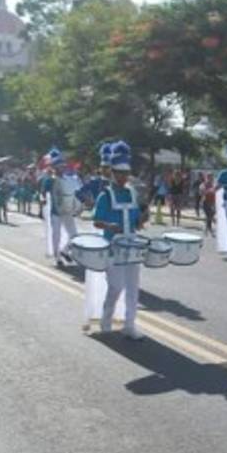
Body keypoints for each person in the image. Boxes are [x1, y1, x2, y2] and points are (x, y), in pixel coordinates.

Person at [91, 142, 147, 340]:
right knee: (116, 286)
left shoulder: (132, 192)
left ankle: (129, 325)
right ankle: (106, 321)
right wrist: (109, 226)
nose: (124, 177)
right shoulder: (105, 195)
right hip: (113, 247)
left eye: (126, 173)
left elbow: (136, 221)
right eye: (120, 173)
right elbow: (96, 221)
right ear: (113, 172)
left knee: (133, 287)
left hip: (131, 245)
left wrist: (141, 220)